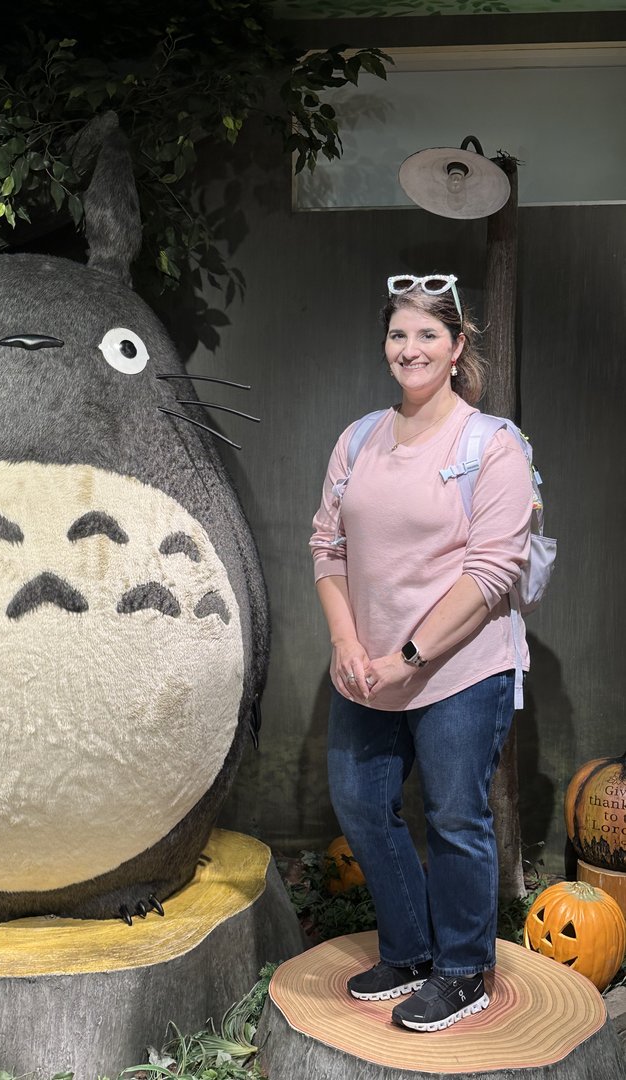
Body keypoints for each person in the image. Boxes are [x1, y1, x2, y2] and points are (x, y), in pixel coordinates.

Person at [309, 273, 534, 1032]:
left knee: (454, 817)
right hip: (365, 667)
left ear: (457, 346)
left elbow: (490, 573)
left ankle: (465, 968)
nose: (411, 349)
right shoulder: (359, 437)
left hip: (458, 671)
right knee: (363, 805)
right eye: (399, 334)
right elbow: (326, 544)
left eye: (428, 335)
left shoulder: (491, 446)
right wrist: (346, 640)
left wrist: (408, 654)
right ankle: (408, 950)